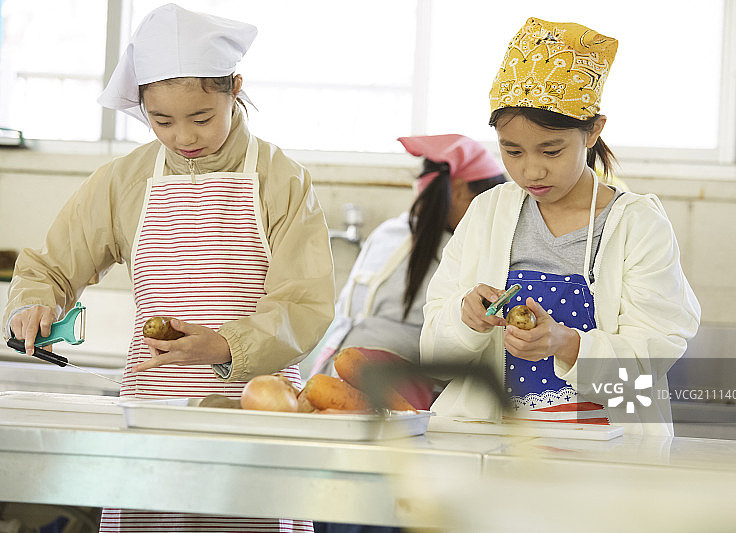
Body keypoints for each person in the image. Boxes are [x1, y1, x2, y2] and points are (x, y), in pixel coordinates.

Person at [3, 4, 333, 532]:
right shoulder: (123, 180)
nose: (183, 136)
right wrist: (34, 302)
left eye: (201, 117)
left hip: (255, 409)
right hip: (151, 410)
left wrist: (224, 345)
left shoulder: (282, 180)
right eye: (161, 120)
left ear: (235, 89)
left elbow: (305, 303)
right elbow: (51, 266)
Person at [419, 17, 701, 436]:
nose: (530, 169)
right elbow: (433, 350)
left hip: (606, 443)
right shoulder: (487, 213)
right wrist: (466, 319)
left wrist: (566, 343)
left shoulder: (636, 224)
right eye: (511, 151)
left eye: (551, 150)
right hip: (495, 441)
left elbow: (658, 349)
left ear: (592, 131)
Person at [308, 134, 506, 410]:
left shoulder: (389, 230)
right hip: (398, 381)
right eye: (485, 199)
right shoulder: (458, 249)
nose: (489, 214)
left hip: (336, 367)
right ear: (460, 189)